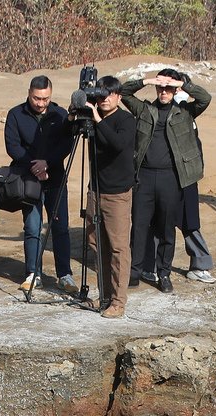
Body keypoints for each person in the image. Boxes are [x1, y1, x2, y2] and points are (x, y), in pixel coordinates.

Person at [120, 69, 211, 294]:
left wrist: (182, 85)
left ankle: (164, 273)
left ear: (175, 89)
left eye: (168, 88)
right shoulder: (144, 109)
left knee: (166, 228)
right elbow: (123, 92)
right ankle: (135, 270)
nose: (164, 92)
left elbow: (205, 98)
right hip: (145, 176)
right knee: (139, 225)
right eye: (161, 87)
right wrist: (148, 80)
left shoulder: (185, 112)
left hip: (172, 177)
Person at [4, 76, 78, 294]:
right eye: (37, 98)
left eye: (45, 98)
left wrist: (48, 163)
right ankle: (33, 272)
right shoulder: (15, 114)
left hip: (55, 178)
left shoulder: (60, 114)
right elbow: (12, 146)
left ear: (51, 95)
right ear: (29, 93)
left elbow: (67, 143)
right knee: (33, 227)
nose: (41, 103)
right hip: (28, 180)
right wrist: (33, 165)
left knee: (60, 227)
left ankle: (64, 274)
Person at [81, 77, 136, 319]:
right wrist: (77, 113)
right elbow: (70, 130)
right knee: (96, 244)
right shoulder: (93, 116)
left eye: (109, 94)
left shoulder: (126, 120)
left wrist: (97, 119)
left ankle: (118, 302)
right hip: (96, 190)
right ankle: (104, 296)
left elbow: (117, 144)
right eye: (101, 94)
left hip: (117, 194)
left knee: (118, 249)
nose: (104, 99)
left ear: (118, 97)